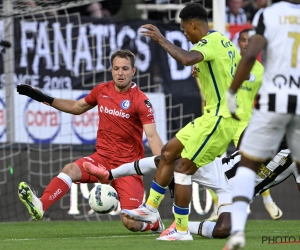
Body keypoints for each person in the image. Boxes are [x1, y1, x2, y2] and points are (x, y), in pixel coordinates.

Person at [120, 2, 246, 241]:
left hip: (220, 119)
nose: (185, 34)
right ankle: (150, 209)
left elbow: (187, 59)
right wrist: (208, 71)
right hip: (211, 117)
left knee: (183, 168)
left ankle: (182, 229)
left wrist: (161, 39)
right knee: (168, 152)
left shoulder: (209, 42)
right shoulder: (226, 43)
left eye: (185, 30)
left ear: (192, 24)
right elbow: (237, 71)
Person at [17, 49, 165, 234]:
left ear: (133, 71)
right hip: (101, 160)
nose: (120, 73)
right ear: (111, 70)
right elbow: (77, 107)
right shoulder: (102, 90)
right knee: (70, 169)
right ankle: (41, 205)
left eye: (125, 69)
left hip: (128, 168)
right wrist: (42, 98)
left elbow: (152, 136)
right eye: (116, 68)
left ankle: (154, 222)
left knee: (131, 224)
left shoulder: (141, 101)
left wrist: (164, 163)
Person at [83, 146, 299, 239]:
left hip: (236, 195)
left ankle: (174, 227)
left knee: (225, 230)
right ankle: (111, 174)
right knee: (169, 158)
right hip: (220, 169)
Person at [224, 1, 300, 249]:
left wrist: (232, 92)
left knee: (248, 162)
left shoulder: (267, 15)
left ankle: (237, 232)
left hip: (274, 101)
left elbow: (250, 53)